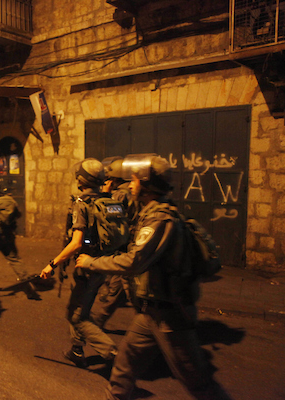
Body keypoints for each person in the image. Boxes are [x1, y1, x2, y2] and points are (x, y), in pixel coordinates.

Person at [75, 154, 231, 400]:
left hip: (170, 316)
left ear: (147, 186)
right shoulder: (152, 212)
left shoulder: (160, 219)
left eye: (135, 180)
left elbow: (134, 261)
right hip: (150, 313)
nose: (131, 184)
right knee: (124, 366)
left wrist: (91, 262)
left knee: (198, 383)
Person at [40, 158, 124, 369]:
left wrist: (52, 264)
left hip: (86, 265)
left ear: (81, 180)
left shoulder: (82, 203)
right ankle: (77, 349)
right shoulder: (110, 201)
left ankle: (113, 353)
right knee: (79, 308)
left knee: (76, 316)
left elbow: (76, 243)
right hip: (103, 263)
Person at [91, 157, 139, 330]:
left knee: (121, 283)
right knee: (125, 285)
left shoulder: (119, 194)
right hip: (133, 242)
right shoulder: (134, 191)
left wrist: (104, 195)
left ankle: (100, 320)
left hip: (125, 244)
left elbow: (109, 214)